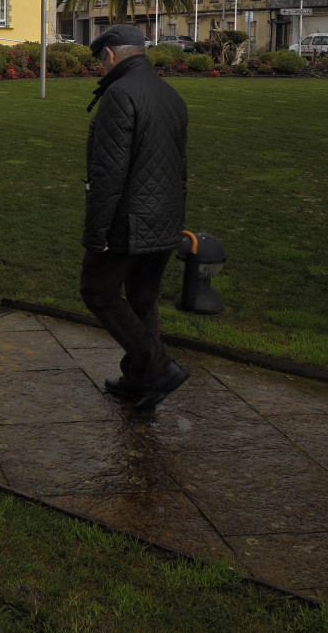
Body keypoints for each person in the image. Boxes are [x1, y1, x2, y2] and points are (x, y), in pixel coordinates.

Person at [82, 23, 190, 412]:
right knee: (142, 299)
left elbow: (109, 173)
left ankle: (159, 367)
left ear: (110, 55)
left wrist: (99, 233)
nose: (99, 69)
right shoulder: (169, 93)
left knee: (98, 291)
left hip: (128, 218)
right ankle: (139, 379)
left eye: (100, 61)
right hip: (164, 215)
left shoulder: (119, 94)